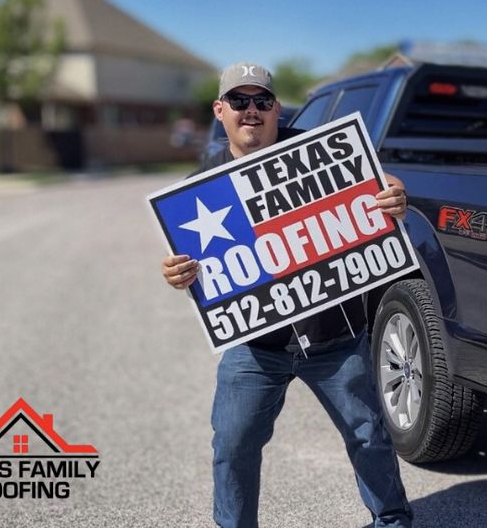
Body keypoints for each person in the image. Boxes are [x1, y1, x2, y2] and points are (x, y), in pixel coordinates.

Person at [160, 62, 413, 528]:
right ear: (220, 110)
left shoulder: (316, 152)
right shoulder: (202, 183)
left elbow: (385, 182)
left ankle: (392, 521)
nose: (250, 111)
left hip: (336, 337)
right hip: (256, 346)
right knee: (232, 444)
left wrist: (395, 194)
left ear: (277, 109)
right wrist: (180, 274)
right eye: (239, 101)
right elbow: (196, 267)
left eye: (262, 101)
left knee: (369, 437)